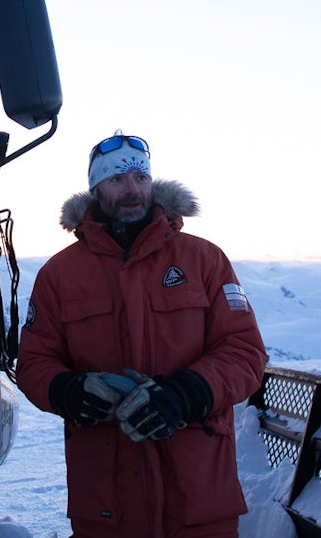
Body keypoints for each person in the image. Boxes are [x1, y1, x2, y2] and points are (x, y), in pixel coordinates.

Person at [16, 132, 267, 537]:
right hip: (106, 500)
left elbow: (244, 352)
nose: (132, 190)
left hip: (198, 495)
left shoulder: (204, 260)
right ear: (96, 189)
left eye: (140, 178)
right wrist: (70, 391)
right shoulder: (59, 275)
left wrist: (185, 396)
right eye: (116, 180)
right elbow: (32, 363)